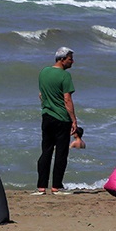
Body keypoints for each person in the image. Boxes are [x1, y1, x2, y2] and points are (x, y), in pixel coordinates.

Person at [34, 47, 78, 195]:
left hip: (46, 116)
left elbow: (41, 95)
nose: (72, 61)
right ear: (62, 59)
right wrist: (74, 120)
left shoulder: (43, 72)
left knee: (46, 151)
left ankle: (41, 186)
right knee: (61, 153)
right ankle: (56, 186)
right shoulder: (65, 76)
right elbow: (67, 99)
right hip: (61, 118)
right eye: (70, 58)